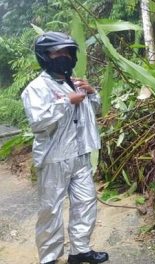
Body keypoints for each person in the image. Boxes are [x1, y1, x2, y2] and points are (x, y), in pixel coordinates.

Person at [21, 32, 109, 264]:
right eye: (58, 52)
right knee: (51, 209)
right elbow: (37, 121)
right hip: (53, 158)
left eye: (68, 52)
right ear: (45, 56)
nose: (65, 57)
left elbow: (95, 111)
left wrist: (92, 93)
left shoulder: (75, 83)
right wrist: (66, 101)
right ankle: (49, 258)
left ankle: (80, 251)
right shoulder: (36, 88)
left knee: (86, 202)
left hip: (80, 155)